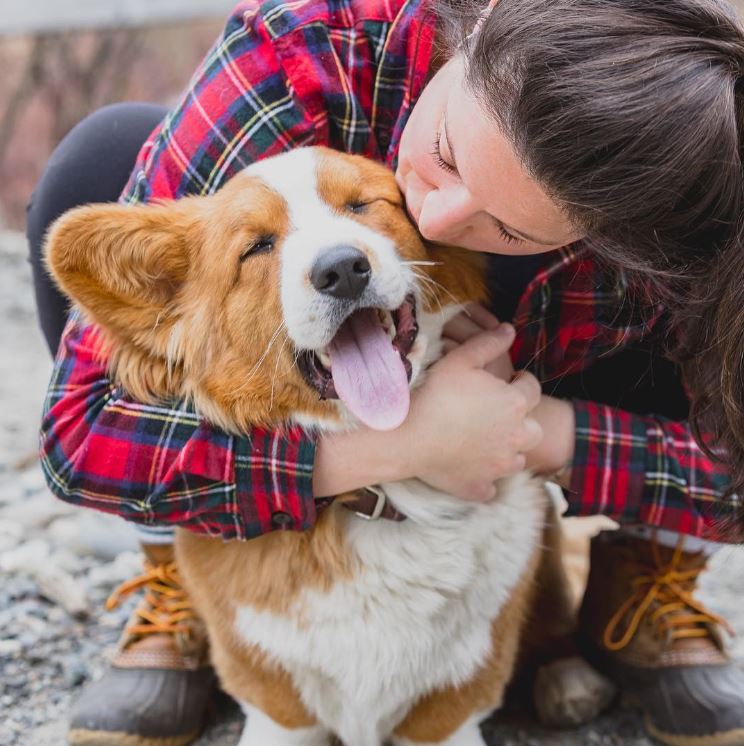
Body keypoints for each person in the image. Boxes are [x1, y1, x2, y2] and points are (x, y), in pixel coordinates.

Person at [27, 0, 744, 744]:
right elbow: (80, 435)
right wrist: (405, 447)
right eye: (448, 153)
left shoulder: (685, 201)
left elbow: (738, 477)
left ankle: (640, 585)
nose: (433, 219)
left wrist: (537, 433)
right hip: (322, 376)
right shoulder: (305, 52)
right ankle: (179, 568)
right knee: (102, 159)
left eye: (509, 228)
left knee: (710, 312)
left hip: (525, 365)